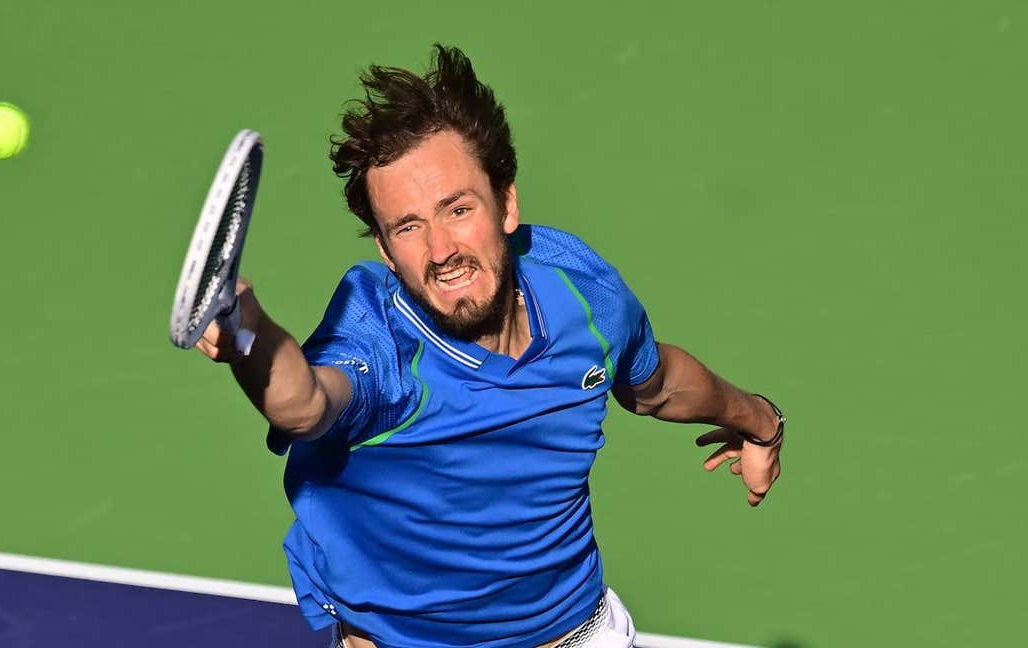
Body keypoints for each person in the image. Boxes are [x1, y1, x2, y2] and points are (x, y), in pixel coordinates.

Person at [195, 44, 785, 648]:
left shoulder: (576, 288)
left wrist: (761, 420)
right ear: (384, 249)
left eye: (456, 209)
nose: (441, 249)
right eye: (408, 226)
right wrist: (246, 330)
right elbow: (306, 404)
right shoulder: (378, 335)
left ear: (506, 204)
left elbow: (656, 383)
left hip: (574, 633)